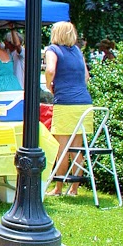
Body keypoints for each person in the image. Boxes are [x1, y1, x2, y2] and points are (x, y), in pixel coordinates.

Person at [44, 21, 93, 197]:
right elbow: (86, 76)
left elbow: (50, 70)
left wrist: (50, 86)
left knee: (61, 148)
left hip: (65, 103)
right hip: (85, 103)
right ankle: (74, 189)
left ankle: (58, 188)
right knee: (76, 148)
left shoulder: (53, 50)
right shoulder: (78, 51)